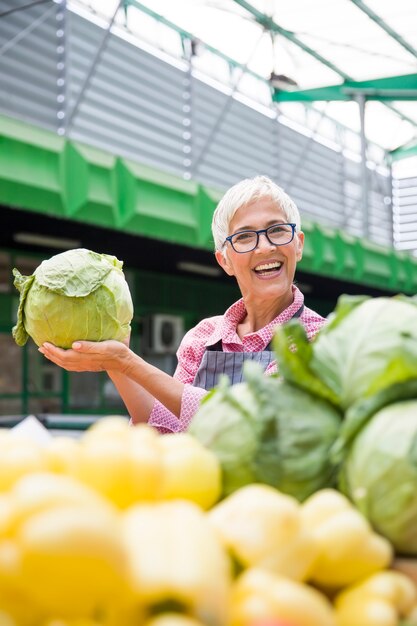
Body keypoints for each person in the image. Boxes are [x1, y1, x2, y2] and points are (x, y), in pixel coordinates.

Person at [39, 175, 326, 433]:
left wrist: (127, 362)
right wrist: (115, 361)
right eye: (244, 237)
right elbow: (164, 427)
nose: (265, 247)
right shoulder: (203, 337)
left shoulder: (320, 339)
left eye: (277, 230)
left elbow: (250, 425)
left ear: (298, 244)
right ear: (224, 260)